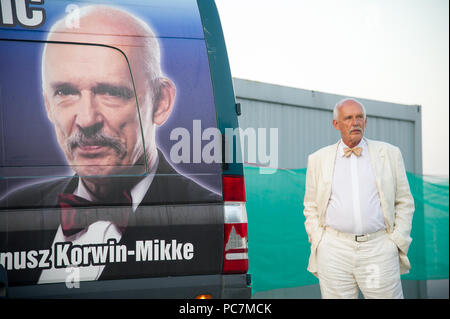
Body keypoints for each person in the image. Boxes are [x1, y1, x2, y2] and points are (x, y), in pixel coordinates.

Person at [0, 5, 220, 284]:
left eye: (111, 92)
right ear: (47, 104)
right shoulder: (17, 207)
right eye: (65, 92)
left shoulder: (210, 222)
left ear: (161, 102)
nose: (87, 119)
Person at [303, 98, 414, 299]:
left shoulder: (389, 153)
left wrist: (396, 241)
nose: (355, 122)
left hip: (378, 249)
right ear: (336, 124)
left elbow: (404, 201)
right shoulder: (318, 159)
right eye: (348, 118)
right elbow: (310, 205)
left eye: (359, 117)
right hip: (334, 251)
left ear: (366, 121)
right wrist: (319, 240)